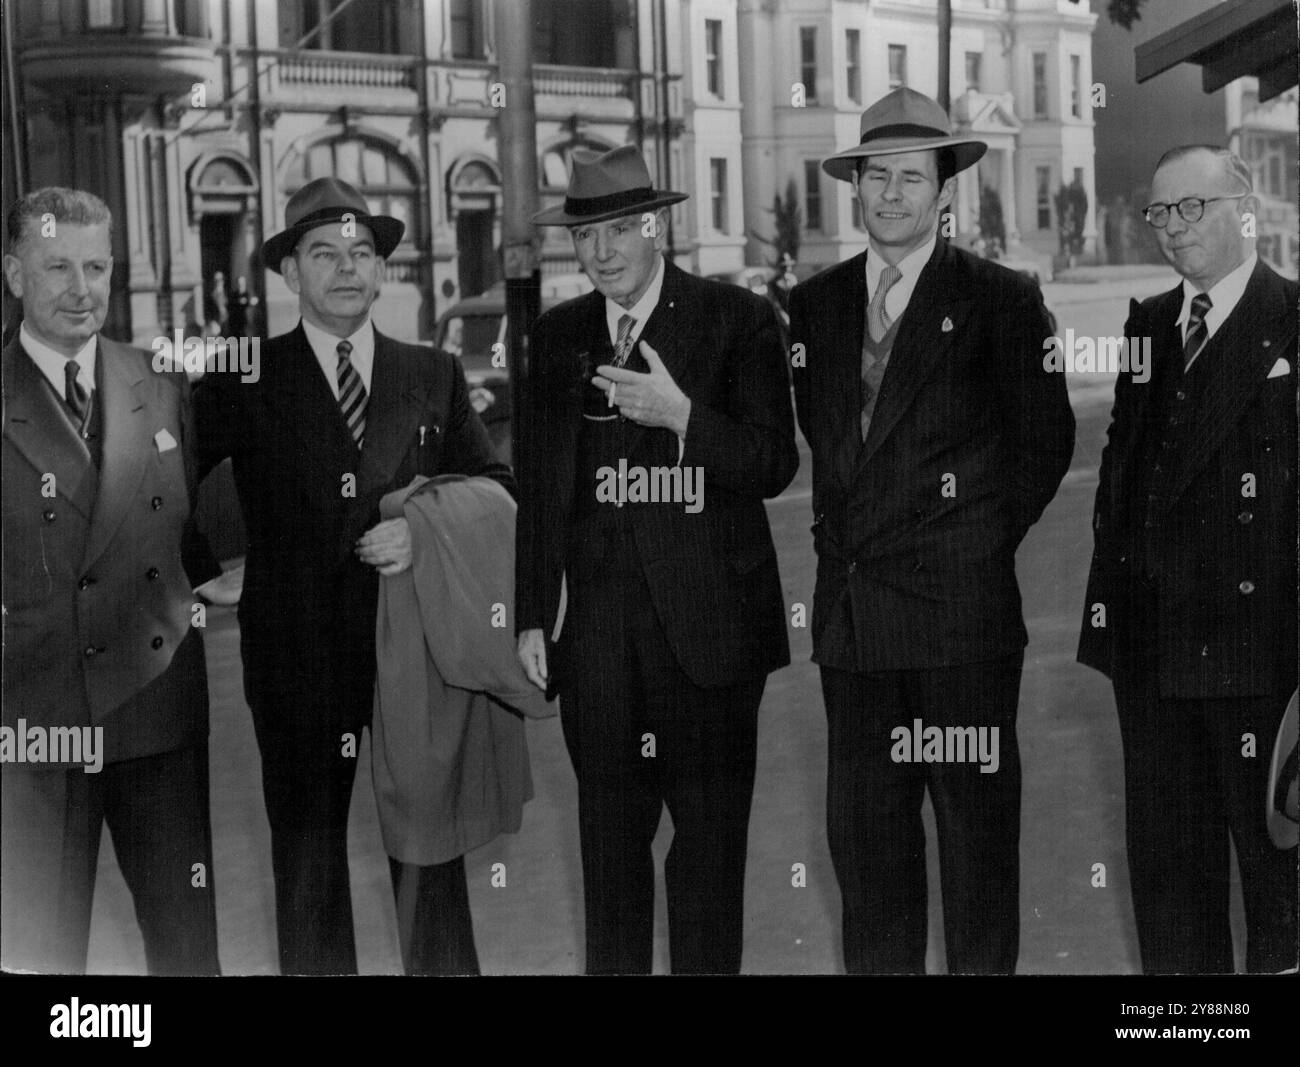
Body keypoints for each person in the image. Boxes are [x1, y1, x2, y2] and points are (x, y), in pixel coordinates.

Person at [195, 176, 513, 975]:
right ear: (290, 272)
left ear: (382, 272)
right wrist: (204, 576)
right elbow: (156, 474)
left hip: (414, 651)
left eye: (362, 252)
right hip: (296, 658)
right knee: (307, 866)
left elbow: (498, 487)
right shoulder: (243, 373)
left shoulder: (431, 371)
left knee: (429, 858)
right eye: (323, 253)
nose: (345, 268)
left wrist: (424, 531)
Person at [790, 88, 1075, 974]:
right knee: (869, 861)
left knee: (976, 853)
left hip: (961, 629)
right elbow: (830, 450)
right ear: (856, 187)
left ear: (944, 191)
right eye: (877, 176)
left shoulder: (1000, 300)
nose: (891, 194)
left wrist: (970, 543)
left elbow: (1046, 443)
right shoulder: (815, 306)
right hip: (855, 631)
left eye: (912, 177)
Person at [516, 145, 798, 974]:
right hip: (598, 649)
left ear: (656, 224)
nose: (600, 253)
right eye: (584, 237)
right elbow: (540, 490)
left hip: (709, 643)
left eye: (616, 231)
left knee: (707, 864)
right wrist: (533, 610)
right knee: (609, 863)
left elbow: (774, 461)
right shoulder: (558, 335)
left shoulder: (736, 319)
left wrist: (683, 416)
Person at [1078, 144, 1297, 973]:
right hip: (1154, 658)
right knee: (1171, 891)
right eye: (1160, 213)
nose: (1174, 228)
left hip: (1264, 662)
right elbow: (1121, 481)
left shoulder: (1293, 318)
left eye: (1193, 207)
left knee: (1279, 890)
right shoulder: (1147, 327)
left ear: (1242, 205)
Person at [1, 187, 220, 974]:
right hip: (34, 726)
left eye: (96, 265)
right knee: (42, 954)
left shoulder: (160, 382)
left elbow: (196, 530)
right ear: (15, 274)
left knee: (188, 946)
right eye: (57, 265)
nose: (80, 288)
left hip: (156, 713)